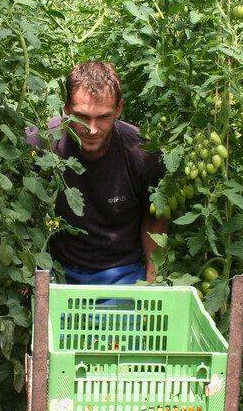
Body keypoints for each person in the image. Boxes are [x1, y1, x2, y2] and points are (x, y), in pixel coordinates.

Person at [27, 61, 168, 284]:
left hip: (121, 273)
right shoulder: (40, 144)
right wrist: (28, 272)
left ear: (119, 109)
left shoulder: (143, 153)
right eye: (82, 116)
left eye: (103, 117)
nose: (92, 129)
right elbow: (24, 214)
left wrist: (151, 282)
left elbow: (154, 217)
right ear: (66, 110)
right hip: (54, 268)